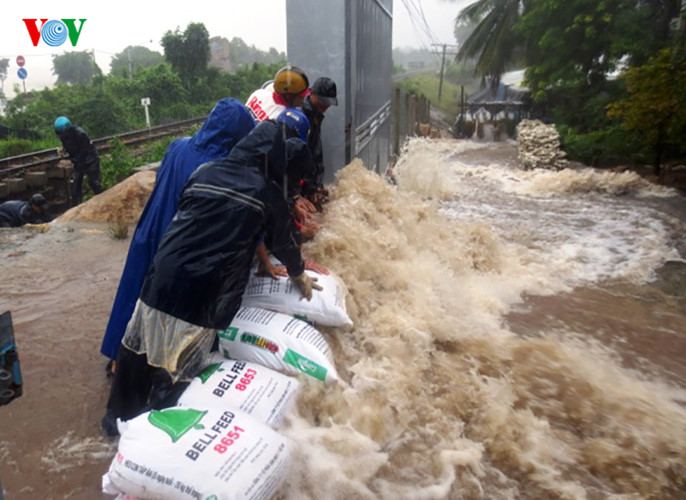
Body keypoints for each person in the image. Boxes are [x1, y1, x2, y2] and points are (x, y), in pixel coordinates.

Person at [101, 109, 321, 436]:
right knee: (174, 377)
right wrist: (298, 273)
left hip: (157, 282)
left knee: (135, 360)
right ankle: (157, 441)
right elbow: (285, 243)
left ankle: (113, 428)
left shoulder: (206, 170)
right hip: (199, 300)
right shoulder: (267, 193)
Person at [100, 98, 255, 375]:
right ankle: (148, 364)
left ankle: (116, 356)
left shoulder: (178, 146)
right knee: (161, 305)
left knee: (131, 292)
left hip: (149, 229)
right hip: (176, 241)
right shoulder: (219, 167)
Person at [301, 76, 338, 210]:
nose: (325, 106)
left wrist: (318, 183)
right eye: (322, 101)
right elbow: (301, 157)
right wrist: (309, 187)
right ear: (312, 94)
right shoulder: (303, 117)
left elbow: (316, 151)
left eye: (328, 102)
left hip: (311, 183)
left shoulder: (315, 114)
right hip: (301, 185)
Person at [54, 116, 103, 207]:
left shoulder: (80, 134)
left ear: (67, 130)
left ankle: (103, 201)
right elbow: (69, 147)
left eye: (62, 133)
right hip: (78, 161)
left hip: (90, 159)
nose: (61, 135)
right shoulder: (63, 137)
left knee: (93, 182)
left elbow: (83, 151)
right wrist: (64, 150)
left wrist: (73, 160)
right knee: (75, 186)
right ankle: (77, 207)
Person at [245, 65, 310, 122]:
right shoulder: (283, 118)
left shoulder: (259, 93)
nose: (304, 99)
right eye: (301, 96)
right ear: (289, 97)